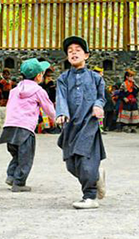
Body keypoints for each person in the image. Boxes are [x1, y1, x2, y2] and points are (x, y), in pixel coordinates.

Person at [55, 36, 106, 210]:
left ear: (86, 55)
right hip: (70, 126)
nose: (73, 53)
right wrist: (61, 112)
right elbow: (60, 97)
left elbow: (101, 97)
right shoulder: (63, 78)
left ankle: (90, 196)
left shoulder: (95, 78)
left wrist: (98, 106)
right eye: (70, 51)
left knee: (86, 161)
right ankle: (96, 177)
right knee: (71, 164)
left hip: (88, 124)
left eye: (78, 50)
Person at [0, 59, 55, 192]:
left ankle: (11, 176)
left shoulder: (15, 90)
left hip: (9, 127)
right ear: (38, 76)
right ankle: (19, 183)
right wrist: (58, 118)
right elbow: (49, 108)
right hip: (25, 129)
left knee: (16, 155)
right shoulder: (38, 91)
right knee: (26, 157)